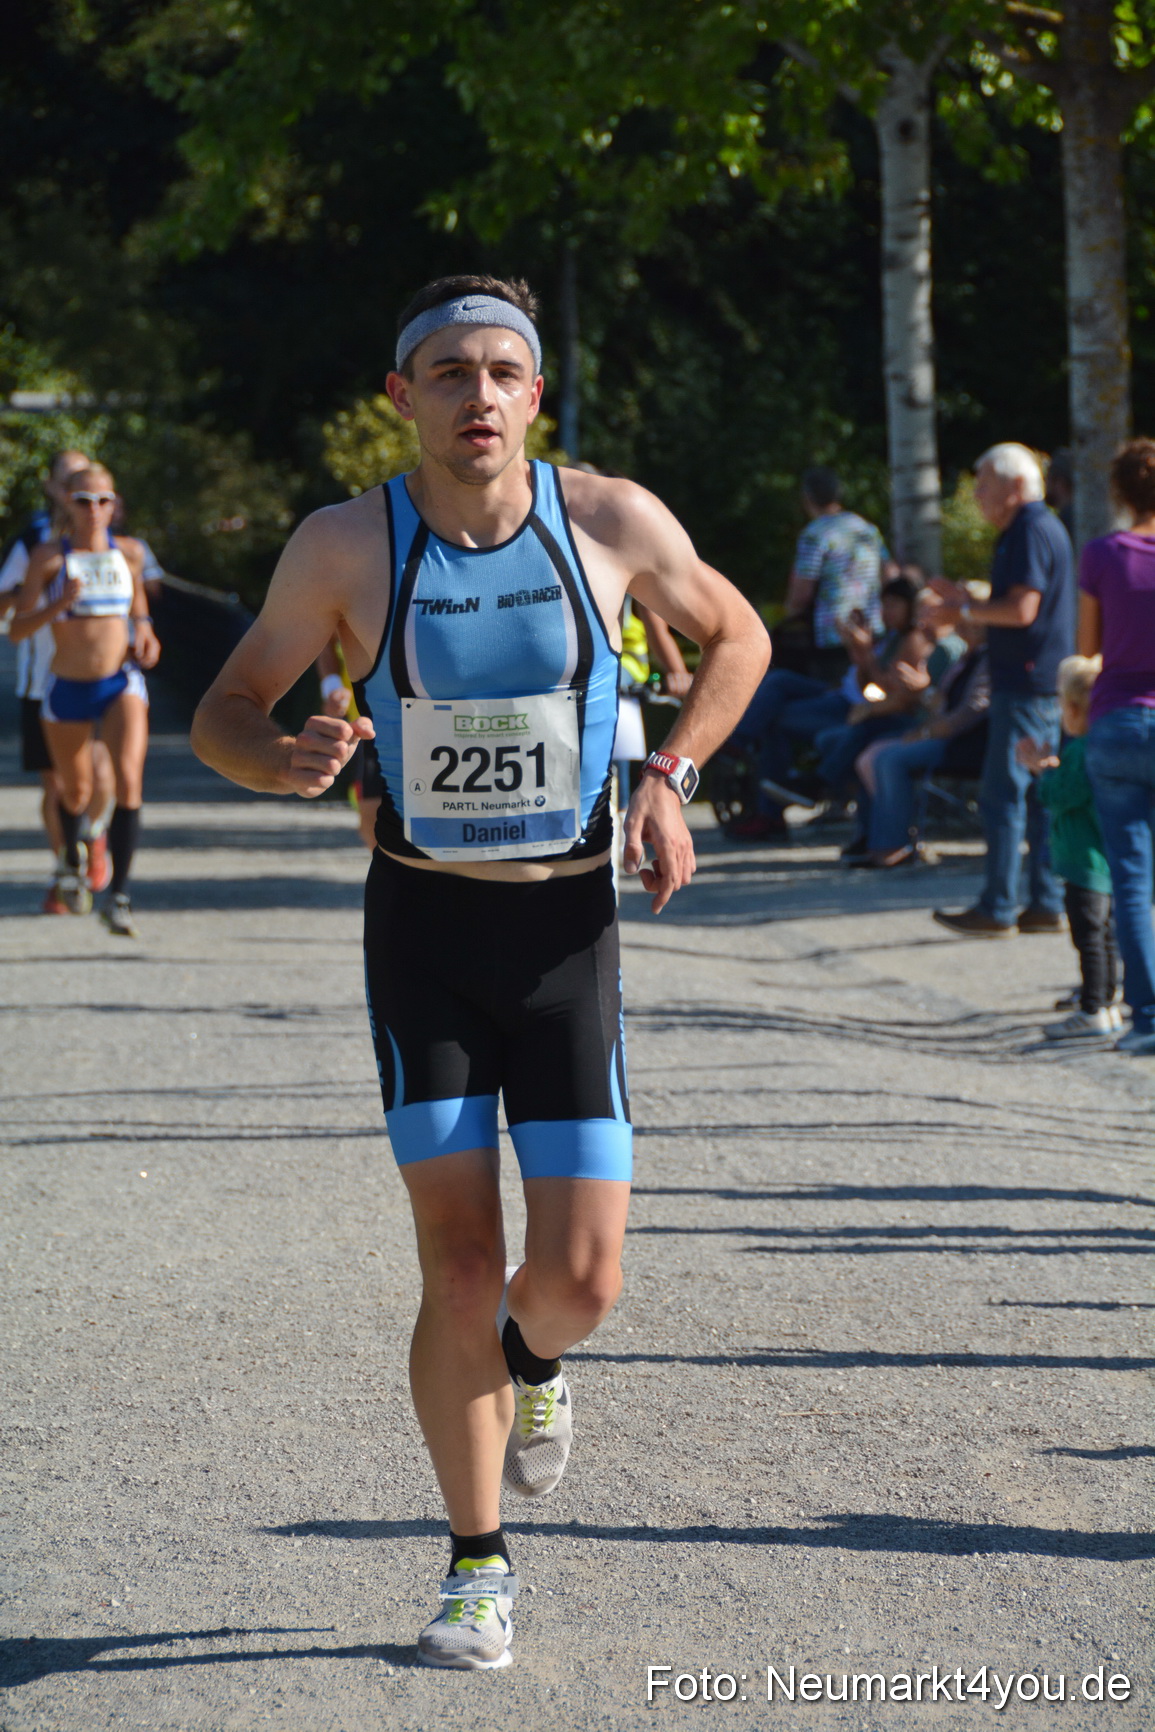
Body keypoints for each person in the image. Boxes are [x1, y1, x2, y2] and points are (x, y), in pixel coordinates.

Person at [189, 273, 769, 1670]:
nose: (479, 397)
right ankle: (474, 1564)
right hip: (427, 938)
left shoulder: (608, 522)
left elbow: (736, 636)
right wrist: (279, 759)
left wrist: (671, 776)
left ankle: (533, 1365)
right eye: (447, 374)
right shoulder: (344, 546)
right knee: (457, 1270)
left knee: (573, 1280)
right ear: (401, 399)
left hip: (567, 936)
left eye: (502, 372)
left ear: (533, 394)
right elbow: (223, 707)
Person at [929, 443, 1074, 937]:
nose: (978, 495)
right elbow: (1017, 604)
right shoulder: (1035, 527)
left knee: (1005, 796)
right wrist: (968, 601)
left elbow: (1022, 610)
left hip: (1028, 683)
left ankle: (998, 907)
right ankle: (1046, 902)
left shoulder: (1030, 529)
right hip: (1036, 680)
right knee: (1036, 796)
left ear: (1016, 487)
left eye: (985, 485)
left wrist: (962, 613)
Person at [9, 463, 161, 933]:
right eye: (83, 501)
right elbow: (17, 630)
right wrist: (58, 604)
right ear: (66, 505)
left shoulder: (130, 554)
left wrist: (146, 633)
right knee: (73, 791)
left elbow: (140, 611)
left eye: (103, 500)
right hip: (67, 687)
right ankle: (72, 866)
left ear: (115, 505)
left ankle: (119, 897)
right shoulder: (49, 558)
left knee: (128, 782)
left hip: (120, 684)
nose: (93, 510)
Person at [0, 449, 117, 908]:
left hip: (105, 677)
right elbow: (5, 606)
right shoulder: (33, 542)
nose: (87, 500)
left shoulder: (114, 540)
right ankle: (67, 868)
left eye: (96, 492)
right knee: (59, 786)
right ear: (56, 490)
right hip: (42, 679)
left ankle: (95, 831)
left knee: (103, 768)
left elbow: (143, 591)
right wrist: (36, 586)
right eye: (74, 485)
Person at [726, 574, 925, 840]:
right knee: (779, 680)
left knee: (773, 719)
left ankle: (768, 805)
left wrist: (865, 652)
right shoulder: (891, 637)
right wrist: (855, 647)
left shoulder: (912, 640)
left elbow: (889, 692)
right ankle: (743, 749)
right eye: (884, 604)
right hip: (843, 694)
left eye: (893, 605)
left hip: (854, 708)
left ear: (910, 606)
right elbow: (866, 677)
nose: (886, 612)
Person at [1079, 437, 1155, 1056]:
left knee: (1131, 878)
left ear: (1121, 494)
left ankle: (1149, 1017)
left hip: (1115, 724)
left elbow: (1088, 651)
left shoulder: (1102, 554)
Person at [1017, 656, 1121, 1041]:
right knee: (1104, 935)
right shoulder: (1100, 745)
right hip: (1102, 861)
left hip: (1084, 862)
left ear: (1074, 707)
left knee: (1089, 938)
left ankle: (1093, 1007)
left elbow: (1061, 795)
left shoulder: (1081, 749)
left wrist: (1042, 771)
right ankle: (1106, 1003)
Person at [849, 618, 990, 868]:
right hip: (937, 732)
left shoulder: (986, 660)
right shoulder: (965, 658)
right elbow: (938, 703)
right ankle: (873, 837)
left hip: (963, 743)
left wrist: (927, 732)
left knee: (889, 759)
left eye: (975, 622)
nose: (966, 626)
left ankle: (894, 845)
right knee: (870, 754)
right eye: (965, 621)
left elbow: (970, 711)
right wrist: (924, 694)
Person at [772, 465, 886, 681]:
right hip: (872, 627)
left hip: (833, 633)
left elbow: (802, 593)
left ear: (807, 497)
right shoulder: (866, 529)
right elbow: (887, 571)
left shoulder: (814, 535)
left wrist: (784, 618)